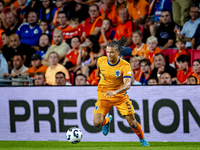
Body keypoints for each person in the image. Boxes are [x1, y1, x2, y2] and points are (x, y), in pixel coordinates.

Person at [93, 36, 149, 146]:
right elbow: (98, 70)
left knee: (132, 123)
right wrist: (98, 75)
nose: (109, 55)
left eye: (112, 52)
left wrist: (115, 91)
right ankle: (107, 120)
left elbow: (127, 84)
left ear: (118, 52)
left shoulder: (125, 65)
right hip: (104, 95)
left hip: (120, 97)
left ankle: (142, 140)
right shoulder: (101, 60)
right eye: (107, 52)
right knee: (96, 123)